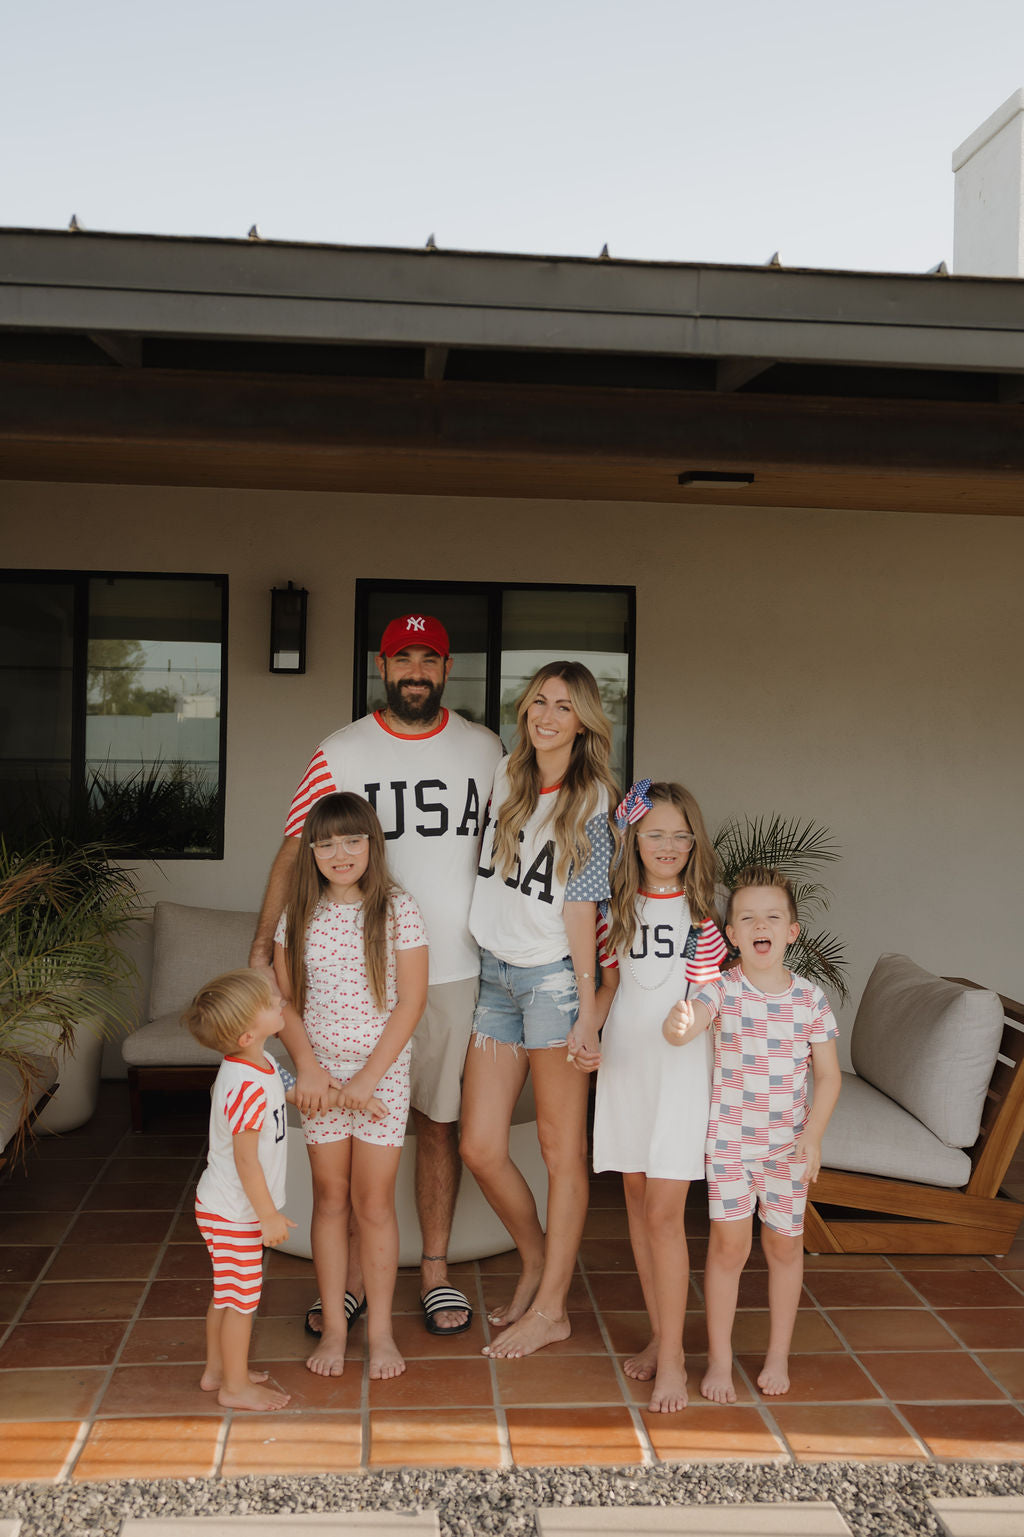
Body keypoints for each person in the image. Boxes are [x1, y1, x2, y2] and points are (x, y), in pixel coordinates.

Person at [249, 613, 502, 1339]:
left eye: (429, 658)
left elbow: (515, 845)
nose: (415, 671)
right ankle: (353, 1283)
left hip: (449, 970)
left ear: (447, 669)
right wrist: (262, 944)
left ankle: (435, 1271)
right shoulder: (341, 750)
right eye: (402, 659)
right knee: (354, 1132)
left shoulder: (486, 748)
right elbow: (294, 848)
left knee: (437, 1124)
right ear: (382, 667)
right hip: (349, 988)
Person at [460, 660, 617, 1360]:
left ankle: (553, 1308)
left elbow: (583, 908)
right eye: (540, 702)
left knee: (561, 1152)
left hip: (553, 982)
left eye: (565, 706)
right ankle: (535, 1260)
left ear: (584, 721)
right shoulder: (507, 774)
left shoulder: (593, 798)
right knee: (480, 1145)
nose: (548, 716)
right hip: (494, 976)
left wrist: (588, 1008)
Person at [663, 864, 842, 1404]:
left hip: (788, 1149)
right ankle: (719, 1359)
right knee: (728, 1248)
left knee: (785, 1248)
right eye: (747, 918)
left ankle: (777, 1354)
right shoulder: (721, 990)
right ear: (732, 936)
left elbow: (829, 1076)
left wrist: (813, 1136)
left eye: (772, 917)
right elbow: (687, 1026)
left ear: (792, 931)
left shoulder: (810, 999)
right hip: (730, 1147)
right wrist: (679, 1024)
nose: (760, 925)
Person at [274, 792, 429, 1380]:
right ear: (311, 851)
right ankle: (337, 1330)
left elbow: (411, 1001)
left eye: (352, 840)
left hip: (379, 1080)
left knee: (373, 1203)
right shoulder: (298, 914)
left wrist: (368, 1078)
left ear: (372, 844)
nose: (340, 854)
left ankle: (382, 1332)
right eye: (326, 844)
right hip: (320, 1080)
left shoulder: (398, 909)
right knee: (330, 1199)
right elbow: (287, 1004)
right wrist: (308, 1068)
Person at [587, 779, 727, 1413]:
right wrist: (586, 1032)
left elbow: (713, 997)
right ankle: (659, 1334)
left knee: (666, 1216)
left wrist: (696, 1017)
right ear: (634, 839)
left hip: (680, 1075)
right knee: (639, 1207)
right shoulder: (613, 912)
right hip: (627, 1068)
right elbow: (610, 987)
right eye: (654, 834)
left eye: (679, 835)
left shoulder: (704, 920)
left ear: (695, 843)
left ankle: (673, 1359)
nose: (667, 845)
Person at [184, 968, 299, 1413]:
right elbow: (245, 1161)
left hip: (228, 1206)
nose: (280, 1001)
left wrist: (345, 1094)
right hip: (233, 1212)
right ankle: (234, 1387)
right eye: (270, 1003)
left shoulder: (259, 1061)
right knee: (241, 1300)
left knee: (227, 1292)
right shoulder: (245, 1087)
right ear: (248, 1034)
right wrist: (267, 1215)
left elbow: (288, 1090)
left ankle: (217, 1371)